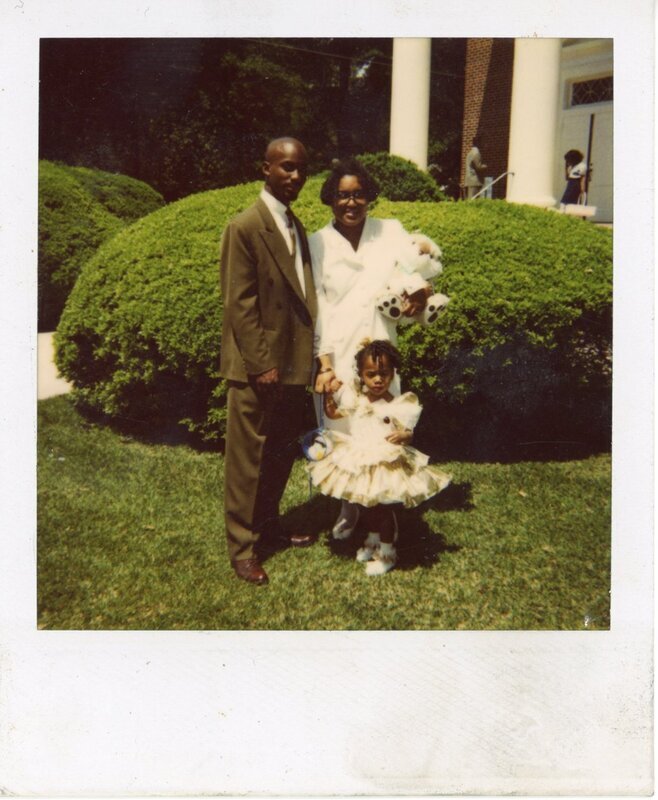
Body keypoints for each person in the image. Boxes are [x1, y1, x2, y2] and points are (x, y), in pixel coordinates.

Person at [309, 157, 439, 539]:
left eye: (359, 195)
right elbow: (317, 304)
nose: (351, 204)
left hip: (380, 353)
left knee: (382, 429)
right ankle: (349, 506)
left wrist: (421, 291)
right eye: (342, 196)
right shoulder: (318, 242)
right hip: (337, 348)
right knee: (342, 428)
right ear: (330, 199)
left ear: (369, 198)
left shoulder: (390, 231)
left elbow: (425, 262)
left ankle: (385, 514)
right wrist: (324, 364)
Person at [219, 137, 318, 586]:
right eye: (286, 168)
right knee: (247, 460)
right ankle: (242, 547)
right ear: (266, 168)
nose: (295, 176)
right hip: (257, 367)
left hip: (293, 364)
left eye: (301, 169)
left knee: (279, 454)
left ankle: (267, 525)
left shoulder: (295, 224)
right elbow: (238, 304)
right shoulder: (245, 226)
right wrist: (261, 364)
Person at [308, 340, 451, 576]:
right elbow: (333, 413)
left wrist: (404, 434)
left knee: (382, 510)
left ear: (393, 374)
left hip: (383, 463)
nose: (377, 380)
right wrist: (329, 396)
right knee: (365, 503)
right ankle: (372, 540)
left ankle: (387, 553)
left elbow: (408, 432)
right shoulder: (357, 399)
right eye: (371, 374)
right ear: (362, 376)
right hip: (359, 457)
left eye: (383, 374)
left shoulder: (396, 405)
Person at [464, 135, 488, 199]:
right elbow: (478, 167)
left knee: (471, 200)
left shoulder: (470, 153)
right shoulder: (476, 153)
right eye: (481, 142)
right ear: (478, 143)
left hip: (469, 180)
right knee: (474, 201)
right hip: (474, 181)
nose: (483, 144)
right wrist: (486, 166)